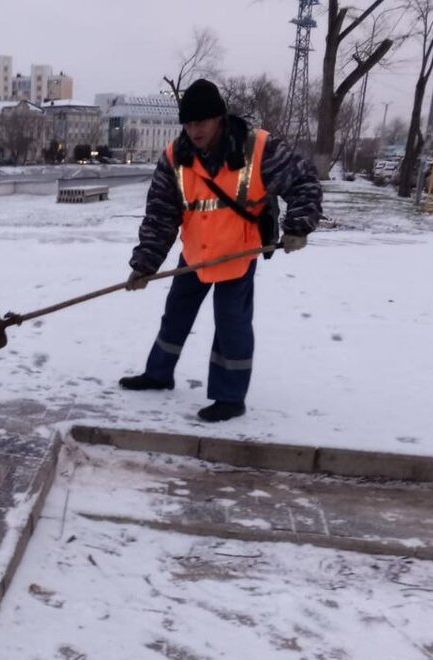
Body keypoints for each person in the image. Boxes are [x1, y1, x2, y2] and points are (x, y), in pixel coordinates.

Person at [120, 78, 322, 422]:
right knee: (175, 316)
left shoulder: (257, 147)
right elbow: (160, 215)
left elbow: (303, 181)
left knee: (232, 325)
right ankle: (158, 374)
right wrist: (145, 263)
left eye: (201, 122)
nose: (194, 130)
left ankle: (230, 397)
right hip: (195, 254)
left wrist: (299, 225)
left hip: (237, 254)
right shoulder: (174, 158)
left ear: (219, 119)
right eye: (188, 123)